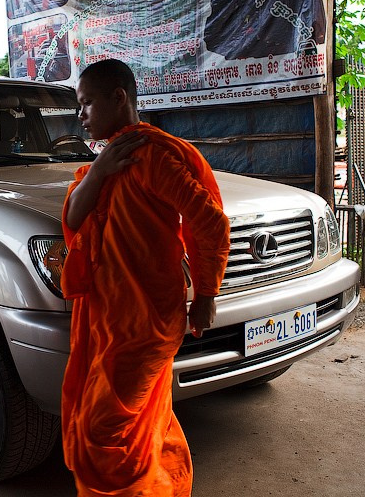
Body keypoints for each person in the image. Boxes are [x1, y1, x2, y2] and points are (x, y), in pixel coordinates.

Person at [60, 58, 231, 496]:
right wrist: (98, 172)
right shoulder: (107, 162)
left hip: (147, 318)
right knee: (140, 423)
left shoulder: (152, 154)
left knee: (105, 431)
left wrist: (207, 294)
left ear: (119, 99)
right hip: (109, 317)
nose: (81, 115)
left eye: (87, 103)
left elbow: (208, 221)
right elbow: (75, 217)